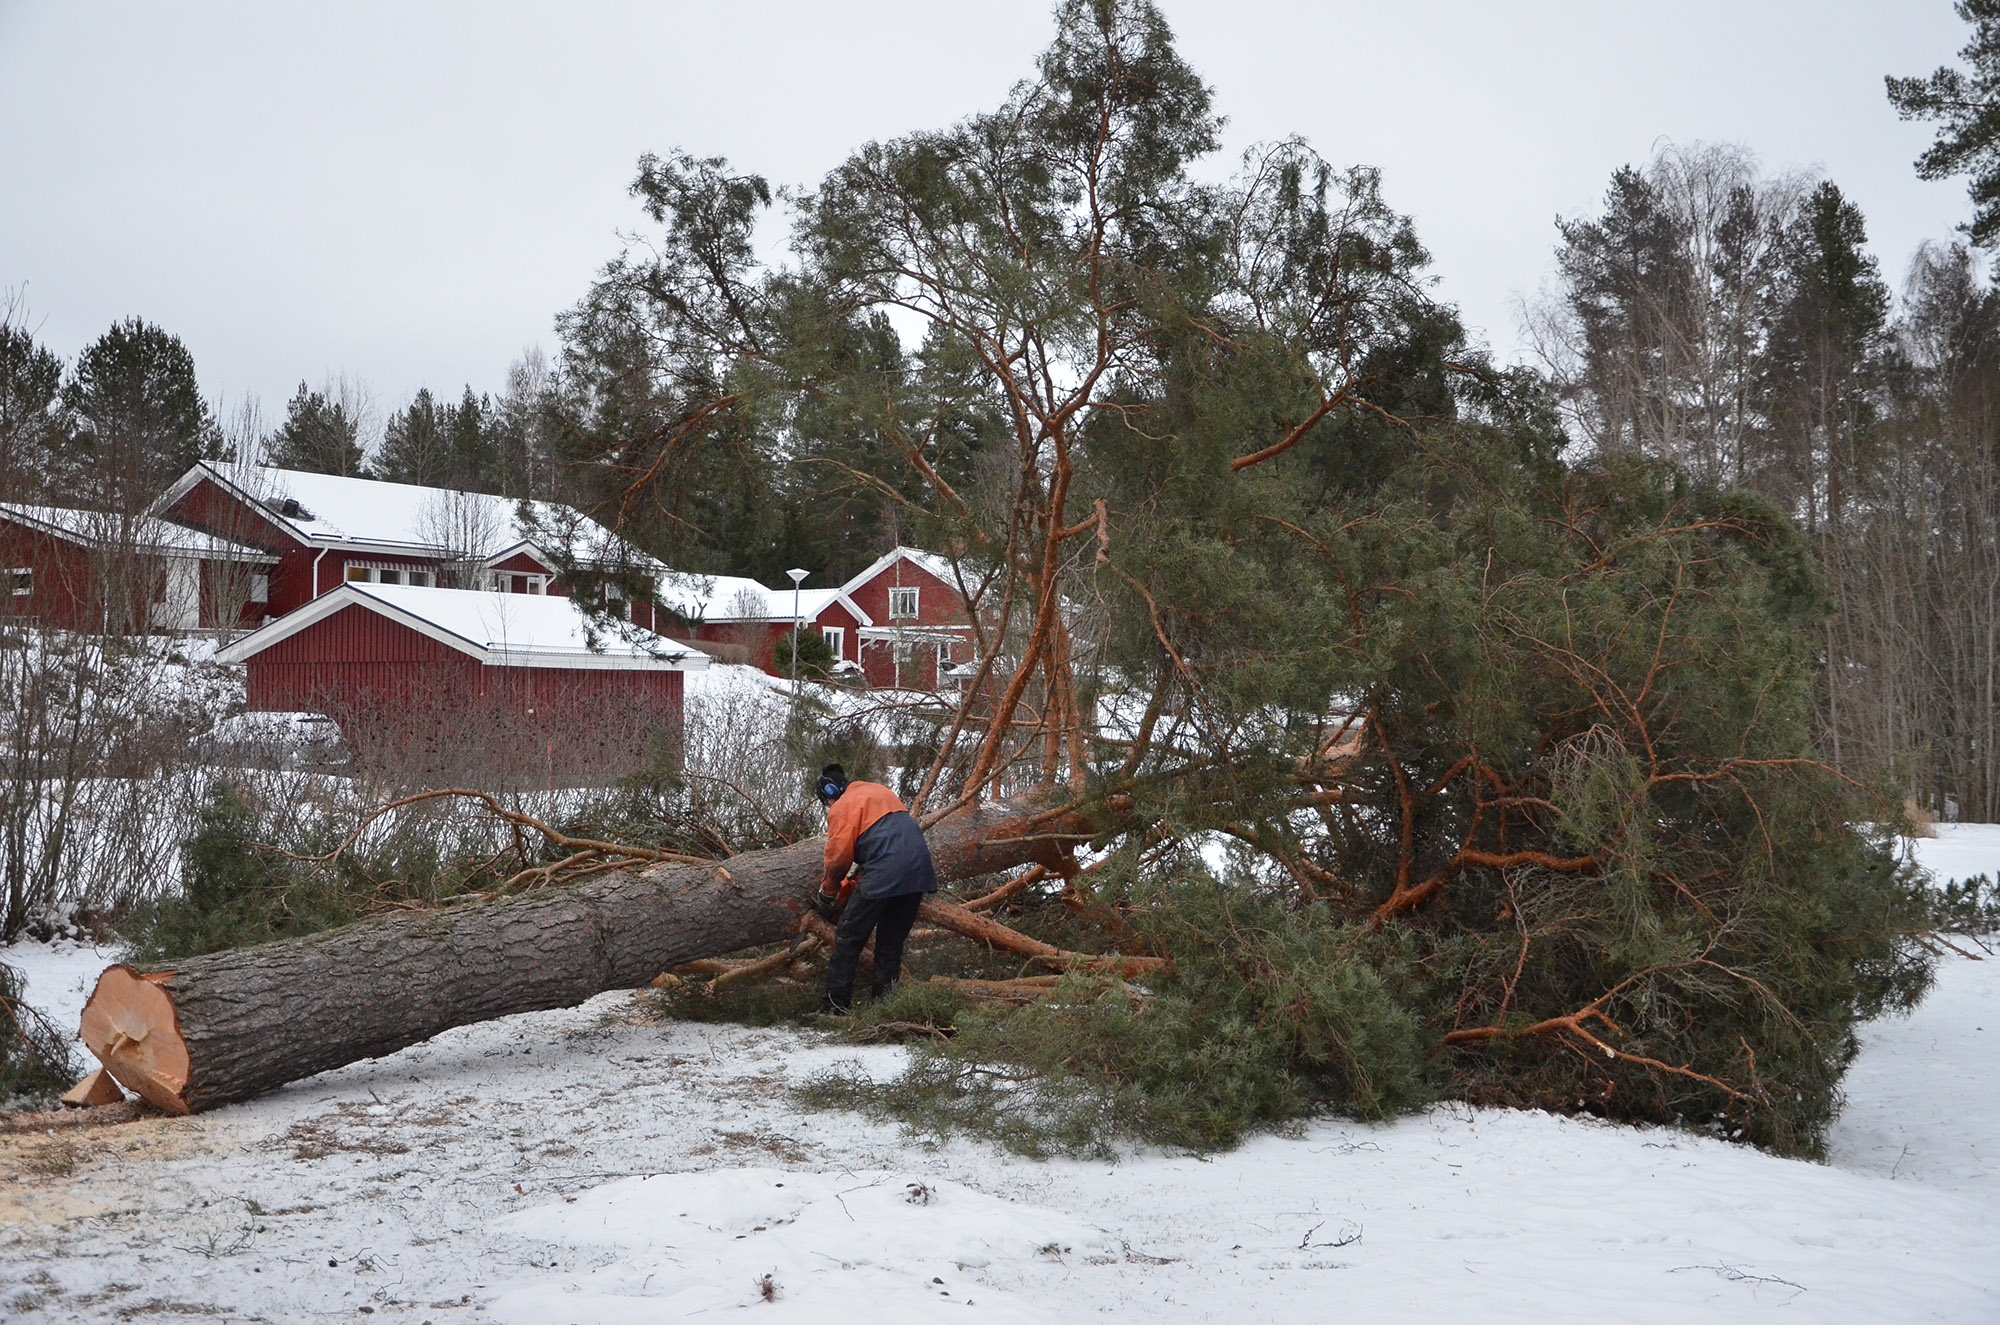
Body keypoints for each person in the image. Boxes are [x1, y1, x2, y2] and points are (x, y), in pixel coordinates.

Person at [810, 763, 936, 1013]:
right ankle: (884, 1008)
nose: (829, 807)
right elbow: (886, 839)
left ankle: (835, 1008)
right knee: (890, 944)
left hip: (885, 871)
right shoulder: (879, 791)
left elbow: (838, 859)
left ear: (830, 791)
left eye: (827, 802)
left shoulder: (843, 806)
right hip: (918, 872)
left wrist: (829, 892)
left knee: (848, 938)